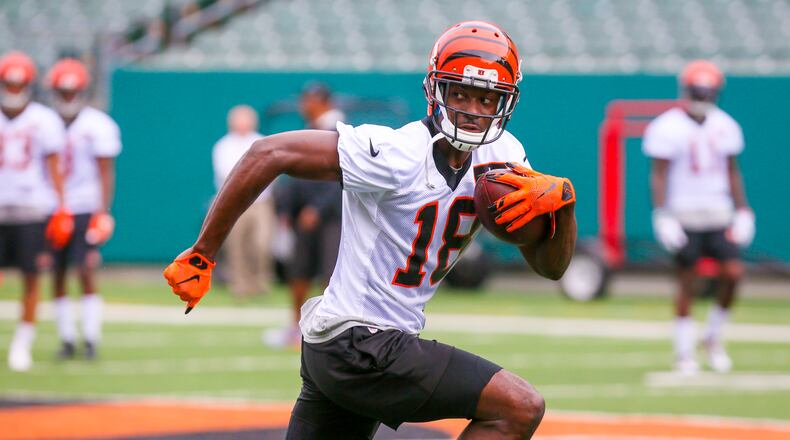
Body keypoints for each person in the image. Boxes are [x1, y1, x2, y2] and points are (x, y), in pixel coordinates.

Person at [165, 21, 577, 439]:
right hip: (361, 341)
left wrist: (564, 208)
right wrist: (203, 252)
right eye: (460, 93)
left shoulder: (505, 157)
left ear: (505, 102)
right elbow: (267, 152)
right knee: (519, 407)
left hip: (347, 346)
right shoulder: (398, 152)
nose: (473, 109)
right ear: (435, 90)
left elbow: (551, 268)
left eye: (486, 98)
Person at [643, 60, 754, 375]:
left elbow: (732, 172)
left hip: (718, 211)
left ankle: (713, 337)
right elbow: (659, 175)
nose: (702, 97)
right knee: (687, 281)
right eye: (697, 91)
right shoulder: (667, 126)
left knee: (733, 273)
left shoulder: (726, 125)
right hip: (684, 212)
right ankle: (684, 351)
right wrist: (663, 215)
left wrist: (743, 210)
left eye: (707, 92)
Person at [46, 58, 122, 360]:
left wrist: (102, 211)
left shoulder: (98, 125)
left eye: (72, 91)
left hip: (85, 206)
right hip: (51, 206)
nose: (68, 97)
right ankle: (66, 337)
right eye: (63, 92)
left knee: (86, 268)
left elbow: (105, 171)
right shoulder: (43, 121)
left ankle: (91, 337)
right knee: (57, 271)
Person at [0, 51, 67, 371]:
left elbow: (55, 168)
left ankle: (22, 344)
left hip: (32, 208)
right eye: (9, 84)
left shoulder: (44, 119)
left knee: (31, 276)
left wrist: (62, 207)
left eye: (19, 84)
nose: (14, 90)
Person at [262, 83, 343, 348]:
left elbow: (341, 176)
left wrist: (317, 209)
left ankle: (328, 329)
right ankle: (296, 328)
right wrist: (287, 209)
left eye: (311, 100)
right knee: (299, 271)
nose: (305, 105)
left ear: (325, 102)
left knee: (330, 275)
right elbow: (295, 175)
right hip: (303, 217)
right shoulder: (307, 129)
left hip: (332, 218)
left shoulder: (339, 132)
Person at [212, 105, 274, 297]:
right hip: (234, 203)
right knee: (236, 246)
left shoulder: (262, 142)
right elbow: (226, 175)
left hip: (261, 202)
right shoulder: (223, 146)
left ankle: (260, 283)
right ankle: (239, 285)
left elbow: (270, 171)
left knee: (261, 244)